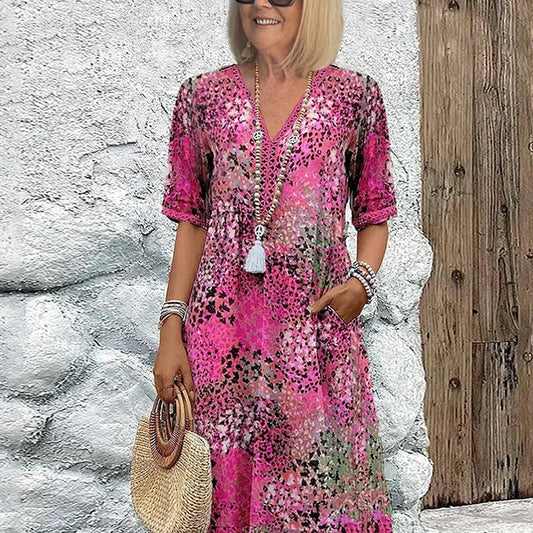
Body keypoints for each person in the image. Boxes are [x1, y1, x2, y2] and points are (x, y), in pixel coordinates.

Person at [153, 0, 398, 530]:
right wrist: (171, 327)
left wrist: (361, 282)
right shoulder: (203, 98)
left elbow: (375, 212)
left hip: (314, 338)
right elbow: (191, 221)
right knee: (222, 492)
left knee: (320, 496)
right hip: (222, 343)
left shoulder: (355, 97)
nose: (262, 4)